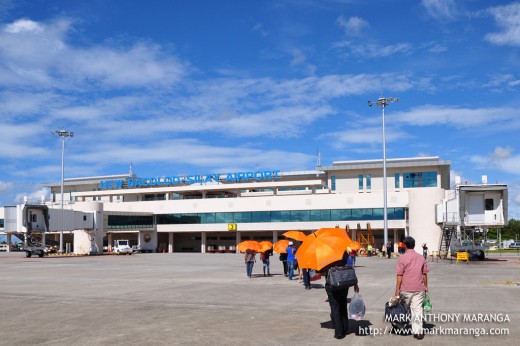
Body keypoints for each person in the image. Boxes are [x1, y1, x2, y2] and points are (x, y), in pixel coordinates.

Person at [395, 236, 430, 340]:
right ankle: (418, 332)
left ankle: (401, 326)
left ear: (405, 246)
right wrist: (426, 287)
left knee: (403, 309)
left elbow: (399, 275)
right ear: (414, 245)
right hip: (419, 288)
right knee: (417, 310)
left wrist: (397, 289)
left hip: (405, 288)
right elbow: (424, 274)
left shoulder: (402, 258)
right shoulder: (421, 257)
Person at [322, 251, 360, 339]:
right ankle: (345, 328)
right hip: (343, 281)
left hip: (332, 283)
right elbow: (350, 266)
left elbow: (321, 270)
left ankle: (339, 332)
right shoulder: (343, 252)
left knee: (335, 306)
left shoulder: (325, 254)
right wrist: (355, 283)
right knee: (343, 304)